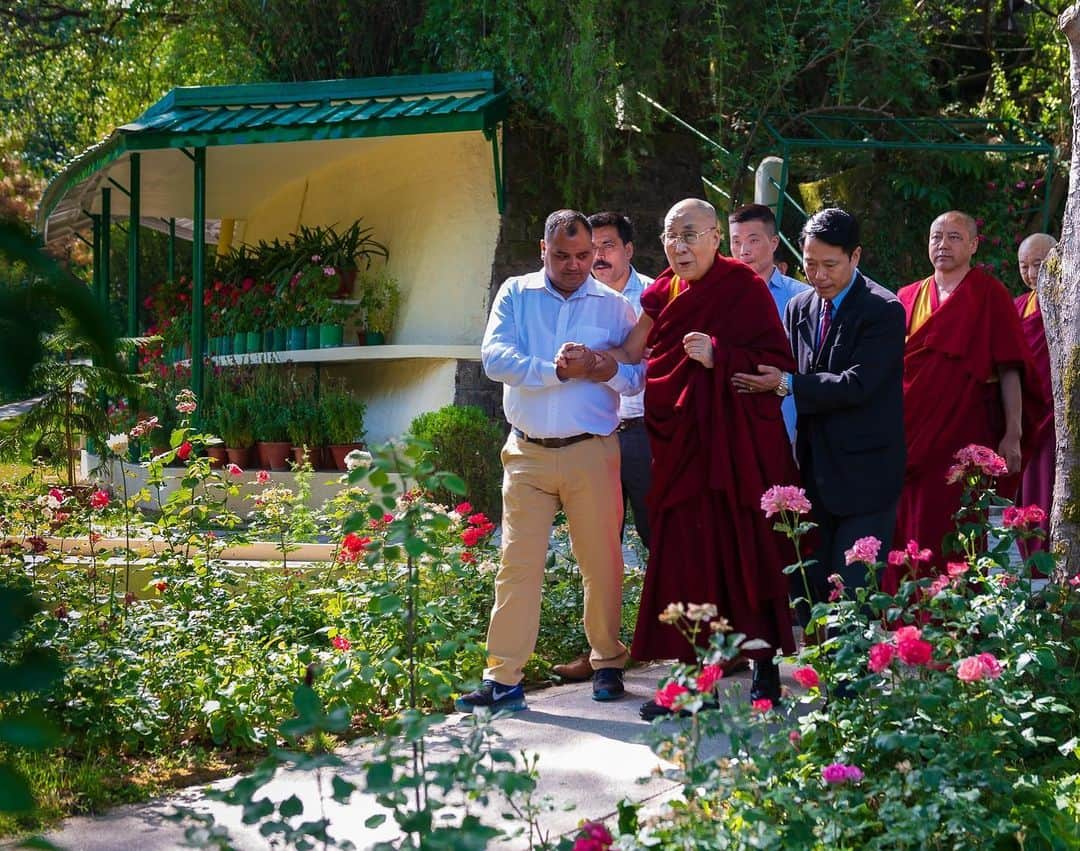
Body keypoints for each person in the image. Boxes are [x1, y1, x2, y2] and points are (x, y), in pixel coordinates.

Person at [612, 198, 798, 714]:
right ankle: (695, 682)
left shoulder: (744, 287)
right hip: (682, 451)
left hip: (738, 452)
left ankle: (765, 669)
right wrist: (590, 359)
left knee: (748, 555)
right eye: (671, 236)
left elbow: (776, 365)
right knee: (687, 562)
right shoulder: (662, 293)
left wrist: (721, 355)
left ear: (717, 237)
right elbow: (632, 351)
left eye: (690, 234)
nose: (678, 245)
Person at [455, 209, 645, 713]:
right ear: (543, 250)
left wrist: (602, 366)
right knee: (516, 567)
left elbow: (634, 378)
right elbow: (495, 358)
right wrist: (556, 371)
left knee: (602, 563)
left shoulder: (613, 306)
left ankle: (607, 662)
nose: (574, 264)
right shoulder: (517, 294)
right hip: (527, 453)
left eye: (585, 255)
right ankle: (503, 680)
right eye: (562, 255)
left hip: (592, 450)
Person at [732, 208, 905, 626]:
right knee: (810, 593)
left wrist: (787, 384)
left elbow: (857, 384)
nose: (819, 275)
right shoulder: (799, 307)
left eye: (830, 265)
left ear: (855, 256)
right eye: (810, 263)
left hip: (866, 476)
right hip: (813, 471)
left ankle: (852, 689)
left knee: (854, 594)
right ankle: (822, 682)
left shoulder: (883, 309)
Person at [886, 210, 1044, 591]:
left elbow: (1010, 367)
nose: (942, 244)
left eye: (954, 237)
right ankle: (906, 621)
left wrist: (1012, 432)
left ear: (974, 245)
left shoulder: (990, 295)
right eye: (936, 236)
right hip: (908, 437)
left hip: (964, 437)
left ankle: (957, 620)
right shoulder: (906, 297)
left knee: (955, 531)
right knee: (903, 527)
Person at [551, 211, 654, 684]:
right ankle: (600, 650)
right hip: (598, 438)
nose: (600, 257)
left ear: (629, 250)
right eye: (597, 248)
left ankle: (664, 642)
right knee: (597, 549)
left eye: (610, 246)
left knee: (659, 540)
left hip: (647, 434)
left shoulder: (653, 298)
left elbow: (639, 373)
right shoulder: (578, 299)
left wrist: (601, 362)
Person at [728, 203, 809, 442]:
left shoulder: (801, 298)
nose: (743, 250)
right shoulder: (718, 295)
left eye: (753, 241)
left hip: (786, 422)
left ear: (773, 243)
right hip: (732, 421)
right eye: (735, 241)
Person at [1014, 233, 1057, 555]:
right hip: (1026, 414)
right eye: (1024, 266)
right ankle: (1031, 566)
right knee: (1028, 490)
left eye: (1039, 265)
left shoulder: (1068, 304)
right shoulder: (1017, 306)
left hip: (1058, 414)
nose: (1031, 274)